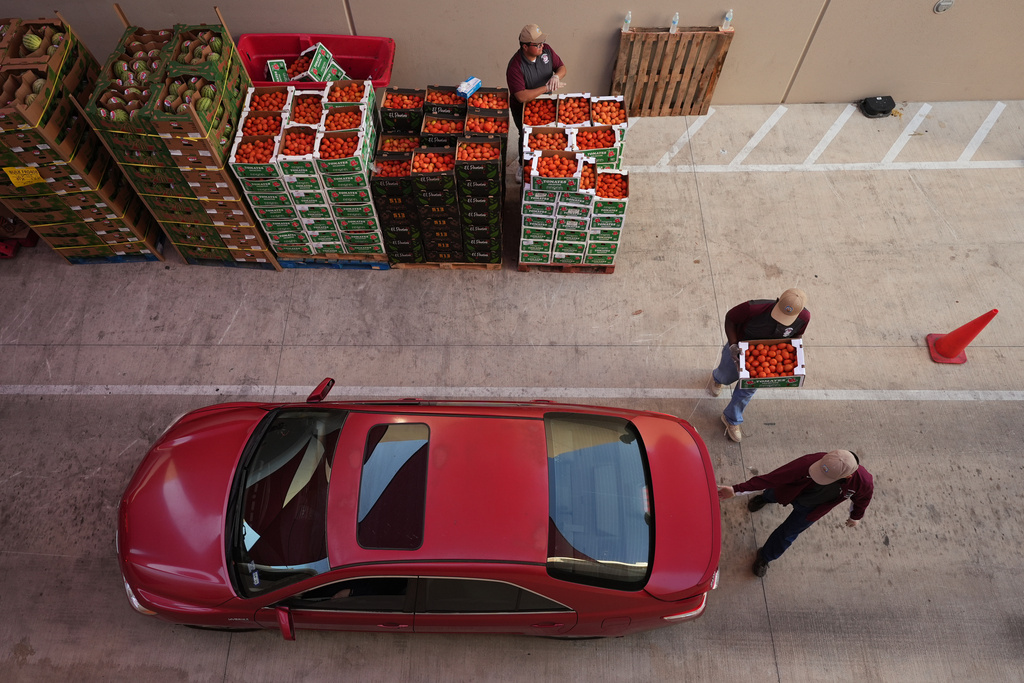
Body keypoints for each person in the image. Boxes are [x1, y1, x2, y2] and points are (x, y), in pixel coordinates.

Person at [718, 450, 873, 577]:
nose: (816, 474)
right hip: (791, 492)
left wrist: (855, 516)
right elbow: (774, 478)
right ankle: (764, 497)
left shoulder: (864, 482)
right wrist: (736, 490)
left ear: (848, 476)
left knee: (787, 534)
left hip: (812, 509)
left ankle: (765, 557)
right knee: (773, 493)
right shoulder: (810, 462)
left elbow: (863, 499)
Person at [709, 288, 809, 442]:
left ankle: (731, 419)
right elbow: (730, 318)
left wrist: (793, 355)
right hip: (740, 348)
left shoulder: (804, 318)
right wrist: (733, 345)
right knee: (726, 374)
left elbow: (797, 335)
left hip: (767, 358)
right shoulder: (752, 308)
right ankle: (718, 379)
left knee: (746, 391)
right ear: (777, 301)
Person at [505, 23, 567, 177]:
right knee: (525, 135)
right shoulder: (515, 67)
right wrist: (546, 88)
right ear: (525, 47)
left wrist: (556, 76)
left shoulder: (547, 51)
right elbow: (521, 96)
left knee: (547, 135)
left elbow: (562, 67)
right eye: (537, 44)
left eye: (542, 42)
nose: (541, 46)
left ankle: (544, 163)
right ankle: (522, 164)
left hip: (545, 105)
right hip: (524, 108)